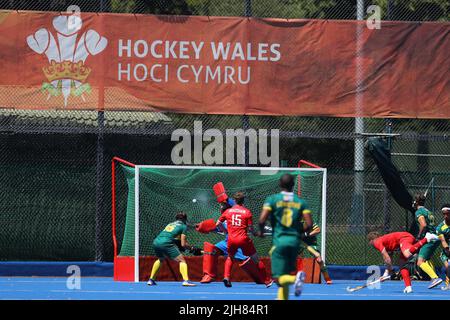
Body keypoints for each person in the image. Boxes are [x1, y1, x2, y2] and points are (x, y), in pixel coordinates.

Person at [257, 173, 314, 300]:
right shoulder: (301, 202)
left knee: (278, 278)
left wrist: (260, 232)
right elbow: (310, 224)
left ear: (280, 184)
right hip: (294, 242)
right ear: (293, 185)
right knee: (284, 275)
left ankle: (296, 279)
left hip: (279, 241)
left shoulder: (272, 200)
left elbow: (261, 220)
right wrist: (298, 232)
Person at [216, 192, 268, 288]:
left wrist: (225, 231)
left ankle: (226, 277)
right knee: (256, 259)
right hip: (243, 239)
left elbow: (218, 223)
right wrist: (256, 234)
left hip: (231, 239)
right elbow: (251, 229)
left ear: (234, 201)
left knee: (230, 258)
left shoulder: (228, 211)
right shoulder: (247, 212)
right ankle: (267, 281)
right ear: (243, 201)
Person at [368, 230, 438, 293]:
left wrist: (391, 270)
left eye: (369, 242)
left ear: (371, 240)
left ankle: (426, 238)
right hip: (403, 240)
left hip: (404, 238)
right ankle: (408, 287)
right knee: (402, 266)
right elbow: (389, 258)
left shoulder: (376, 242)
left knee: (407, 254)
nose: (370, 244)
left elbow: (387, 258)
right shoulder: (385, 243)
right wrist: (385, 274)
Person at [147, 212, 197, 287]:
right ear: (185, 219)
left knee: (161, 259)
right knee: (182, 261)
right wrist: (192, 248)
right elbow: (183, 244)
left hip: (156, 242)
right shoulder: (183, 226)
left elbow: (173, 234)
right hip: (166, 243)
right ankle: (186, 281)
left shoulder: (170, 224)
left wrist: (195, 226)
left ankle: (151, 280)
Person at [413, 193, 442, 288]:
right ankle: (438, 279)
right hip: (436, 237)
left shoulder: (419, 212)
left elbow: (423, 224)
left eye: (414, 200)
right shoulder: (428, 211)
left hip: (429, 238)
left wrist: (419, 236)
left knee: (420, 261)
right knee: (427, 259)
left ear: (416, 202)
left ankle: (434, 278)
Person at [436, 204, 450, 290]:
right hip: (446, 251)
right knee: (448, 267)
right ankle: (448, 285)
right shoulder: (440, 227)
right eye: (443, 214)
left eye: (447, 213)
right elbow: (443, 241)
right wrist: (448, 251)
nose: (445, 216)